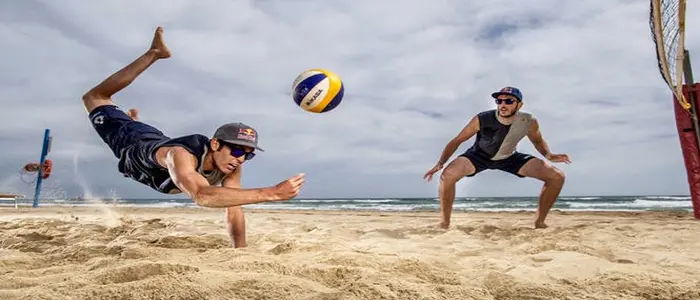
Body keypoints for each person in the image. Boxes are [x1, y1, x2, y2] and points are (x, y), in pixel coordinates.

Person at [81, 27, 306, 248]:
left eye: (248, 155)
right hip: (131, 145)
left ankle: (134, 120)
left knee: (147, 134)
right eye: (237, 151)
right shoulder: (180, 154)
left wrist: (241, 251)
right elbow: (202, 196)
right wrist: (272, 193)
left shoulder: (231, 165)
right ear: (216, 144)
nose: (240, 159)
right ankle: (155, 54)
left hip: (156, 141)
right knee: (95, 97)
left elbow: (234, 206)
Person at [423, 86, 570, 229]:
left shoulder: (528, 121)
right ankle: (444, 223)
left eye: (509, 101)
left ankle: (540, 222)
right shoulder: (482, 118)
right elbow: (457, 140)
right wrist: (440, 163)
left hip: (509, 157)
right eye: (499, 101)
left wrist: (548, 155)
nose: (503, 104)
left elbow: (537, 140)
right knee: (448, 175)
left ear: (520, 104)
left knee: (557, 176)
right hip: (478, 156)